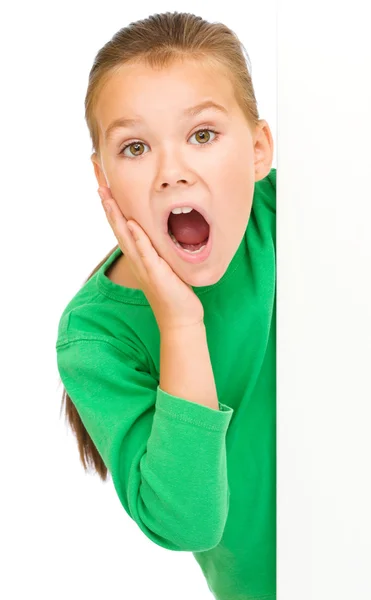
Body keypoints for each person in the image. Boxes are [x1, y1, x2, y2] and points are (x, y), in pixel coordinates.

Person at [55, 11, 276, 600]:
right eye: (135, 147)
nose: (172, 173)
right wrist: (180, 320)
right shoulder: (96, 336)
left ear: (259, 149)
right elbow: (186, 523)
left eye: (202, 135)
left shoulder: (290, 212)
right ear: (103, 178)